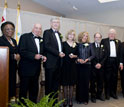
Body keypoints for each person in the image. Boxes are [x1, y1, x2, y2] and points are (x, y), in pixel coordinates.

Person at [18, 23, 46, 103]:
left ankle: (33, 104)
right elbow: (21, 51)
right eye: (36, 28)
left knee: (34, 89)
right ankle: (22, 105)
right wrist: (33, 56)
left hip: (36, 69)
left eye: (40, 28)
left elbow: (42, 52)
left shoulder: (41, 40)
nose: (38, 30)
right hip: (25, 69)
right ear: (32, 28)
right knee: (24, 90)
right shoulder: (24, 37)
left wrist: (43, 56)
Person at [43, 17, 65, 100]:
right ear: (51, 23)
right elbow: (47, 46)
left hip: (59, 63)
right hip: (50, 63)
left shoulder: (59, 34)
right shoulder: (47, 32)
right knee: (49, 84)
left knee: (56, 84)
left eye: (57, 22)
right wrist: (58, 53)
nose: (56, 24)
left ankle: (54, 101)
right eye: (54, 22)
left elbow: (60, 47)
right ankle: (48, 102)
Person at [0, 21, 20, 102]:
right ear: (3, 30)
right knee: (4, 87)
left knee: (11, 86)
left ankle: (8, 100)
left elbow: (16, 51)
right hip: (3, 69)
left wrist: (18, 55)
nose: (10, 31)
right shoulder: (0, 40)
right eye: (7, 29)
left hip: (13, 67)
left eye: (12, 29)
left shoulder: (14, 41)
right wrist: (13, 56)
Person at [101, 28, 123, 100]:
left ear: (115, 35)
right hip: (107, 62)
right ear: (108, 34)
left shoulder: (118, 42)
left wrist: (120, 63)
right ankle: (107, 94)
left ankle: (113, 93)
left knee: (114, 78)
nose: (112, 34)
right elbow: (101, 52)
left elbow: (120, 54)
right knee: (107, 78)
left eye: (113, 33)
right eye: (110, 33)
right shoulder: (103, 41)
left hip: (115, 62)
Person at [76, 32, 94, 105]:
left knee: (86, 82)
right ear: (81, 36)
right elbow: (75, 54)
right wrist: (78, 59)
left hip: (87, 65)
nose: (85, 37)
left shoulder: (90, 45)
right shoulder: (77, 44)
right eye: (84, 36)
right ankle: (79, 98)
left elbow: (93, 55)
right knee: (79, 82)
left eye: (87, 36)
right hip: (79, 66)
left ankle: (85, 99)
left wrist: (87, 59)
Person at [61, 30, 78, 107]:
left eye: (73, 35)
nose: (71, 36)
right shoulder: (63, 44)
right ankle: (65, 100)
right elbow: (60, 53)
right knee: (65, 84)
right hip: (64, 66)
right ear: (67, 35)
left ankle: (70, 100)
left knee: (71, 84)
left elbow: (78, 55)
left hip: (73, 67)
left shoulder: (76, 44)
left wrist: (74, 56)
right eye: (70, 34)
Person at [90, 33, 106, 103]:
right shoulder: (91, 45)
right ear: (94, 38)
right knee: (93, 83)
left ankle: (99, 95)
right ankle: (93, 96)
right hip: (93, 67)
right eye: (96, 37)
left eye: (99, 37)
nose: (98, 38)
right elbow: (90, 56)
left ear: (101, 38)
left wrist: (101, 64)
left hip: (101, 67)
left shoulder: (103, 46)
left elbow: (105, 56)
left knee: (100, 82)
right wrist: (95, 64)